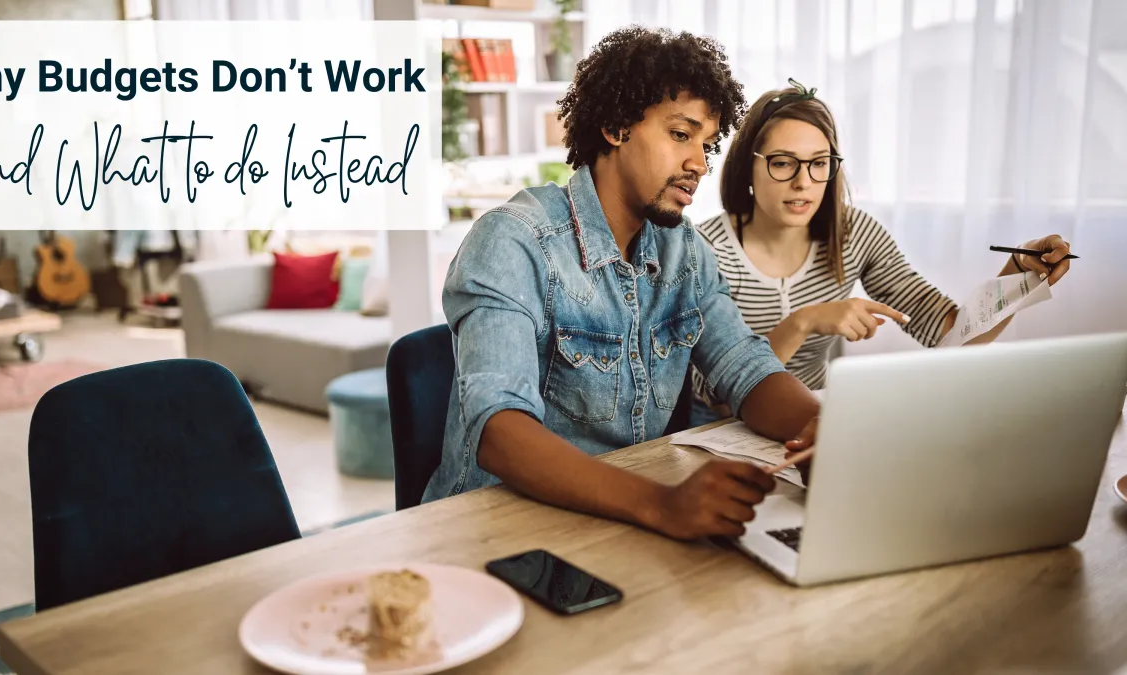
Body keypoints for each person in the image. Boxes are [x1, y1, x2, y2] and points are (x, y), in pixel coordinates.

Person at [420, 27, 820, 541]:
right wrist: (662, 506)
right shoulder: (514, 241)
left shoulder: (684, 251)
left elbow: (744, 367)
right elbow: (500, 431)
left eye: (706, 143)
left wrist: (821, 428)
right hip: (496, 535)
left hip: (618, 521)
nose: (699, 163)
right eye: (681, 135)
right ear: (614, 126)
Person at [689, 79, 1073, 424]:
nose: (803, 182)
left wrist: (1018, 270)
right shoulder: (704, 250)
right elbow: (716, 396)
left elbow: (954, 335)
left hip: (817, 426)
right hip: (724, 432)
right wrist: (803, 322)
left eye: (819, 164)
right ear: (747, 167)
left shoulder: (856, 234)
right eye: (783, 163)